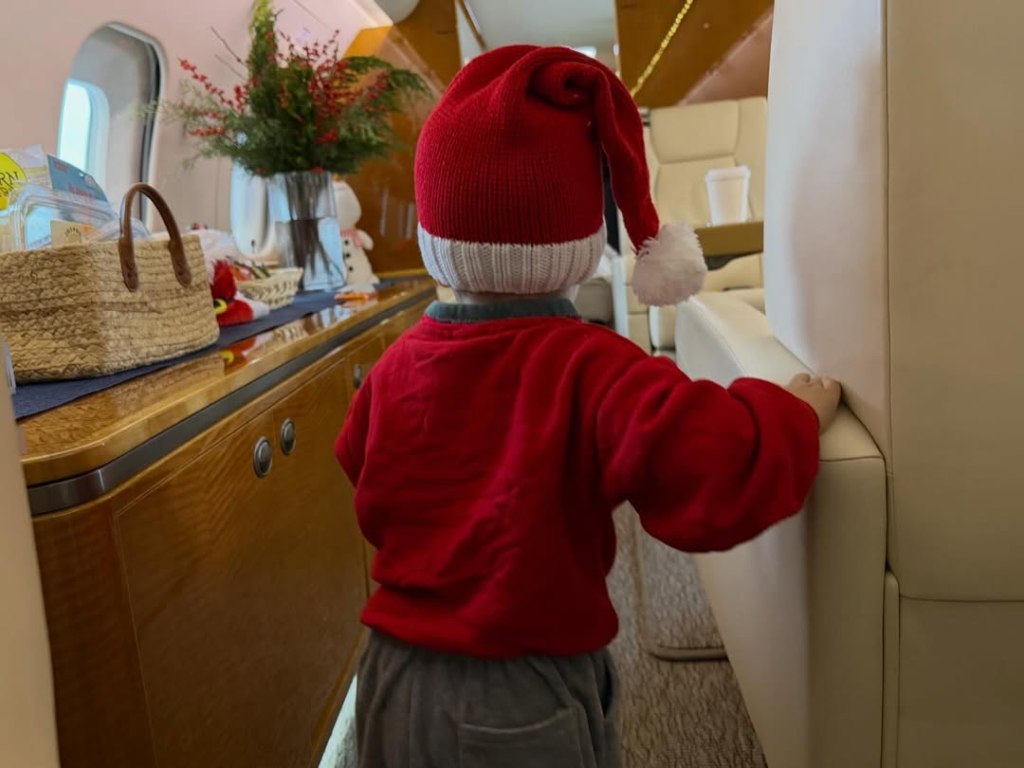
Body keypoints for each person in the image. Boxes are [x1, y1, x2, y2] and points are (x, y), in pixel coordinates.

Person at [335, 44, 841, 768]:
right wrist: (794, 413)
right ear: (579, 233)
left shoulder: (394, 368)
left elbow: (360, 460)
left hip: (386, 677)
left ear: (433, 233)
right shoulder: (594, 368)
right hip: (518, 690)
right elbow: (715, 460)